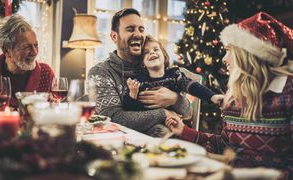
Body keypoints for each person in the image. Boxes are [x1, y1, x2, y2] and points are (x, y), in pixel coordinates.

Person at [166, 12, 293, 178]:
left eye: (228, 51)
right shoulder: (233, 98)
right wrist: (184, 130)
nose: (224, 59)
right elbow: (225, 147)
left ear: (249, 55)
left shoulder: (288, 93)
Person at [88, 8, 190, 136]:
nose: (138, 34)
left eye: (141, 29)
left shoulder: (154, 65)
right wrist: (162, 114)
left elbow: (187, 112)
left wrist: (175, 99)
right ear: (114, 36)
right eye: (130, 29)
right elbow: (112, 119)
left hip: (167, 143)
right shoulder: (101, 72)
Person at [0, 15, 54, 111]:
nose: (34, 52)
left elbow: (54, 108)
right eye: (26, 47)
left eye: (36, 45)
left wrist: (53, 105)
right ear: (6, 50)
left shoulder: (46, 73)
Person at [124, 35, 224, 113]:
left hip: (174, 126)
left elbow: (193, 86)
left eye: (155, 49)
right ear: (142, 63)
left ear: (164, 55)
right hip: (150, 127)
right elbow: (130, 110)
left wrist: (212, 97)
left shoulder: (175, 75)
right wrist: (132, 95)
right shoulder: (139, 82)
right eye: (146, 52)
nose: (152, 53)